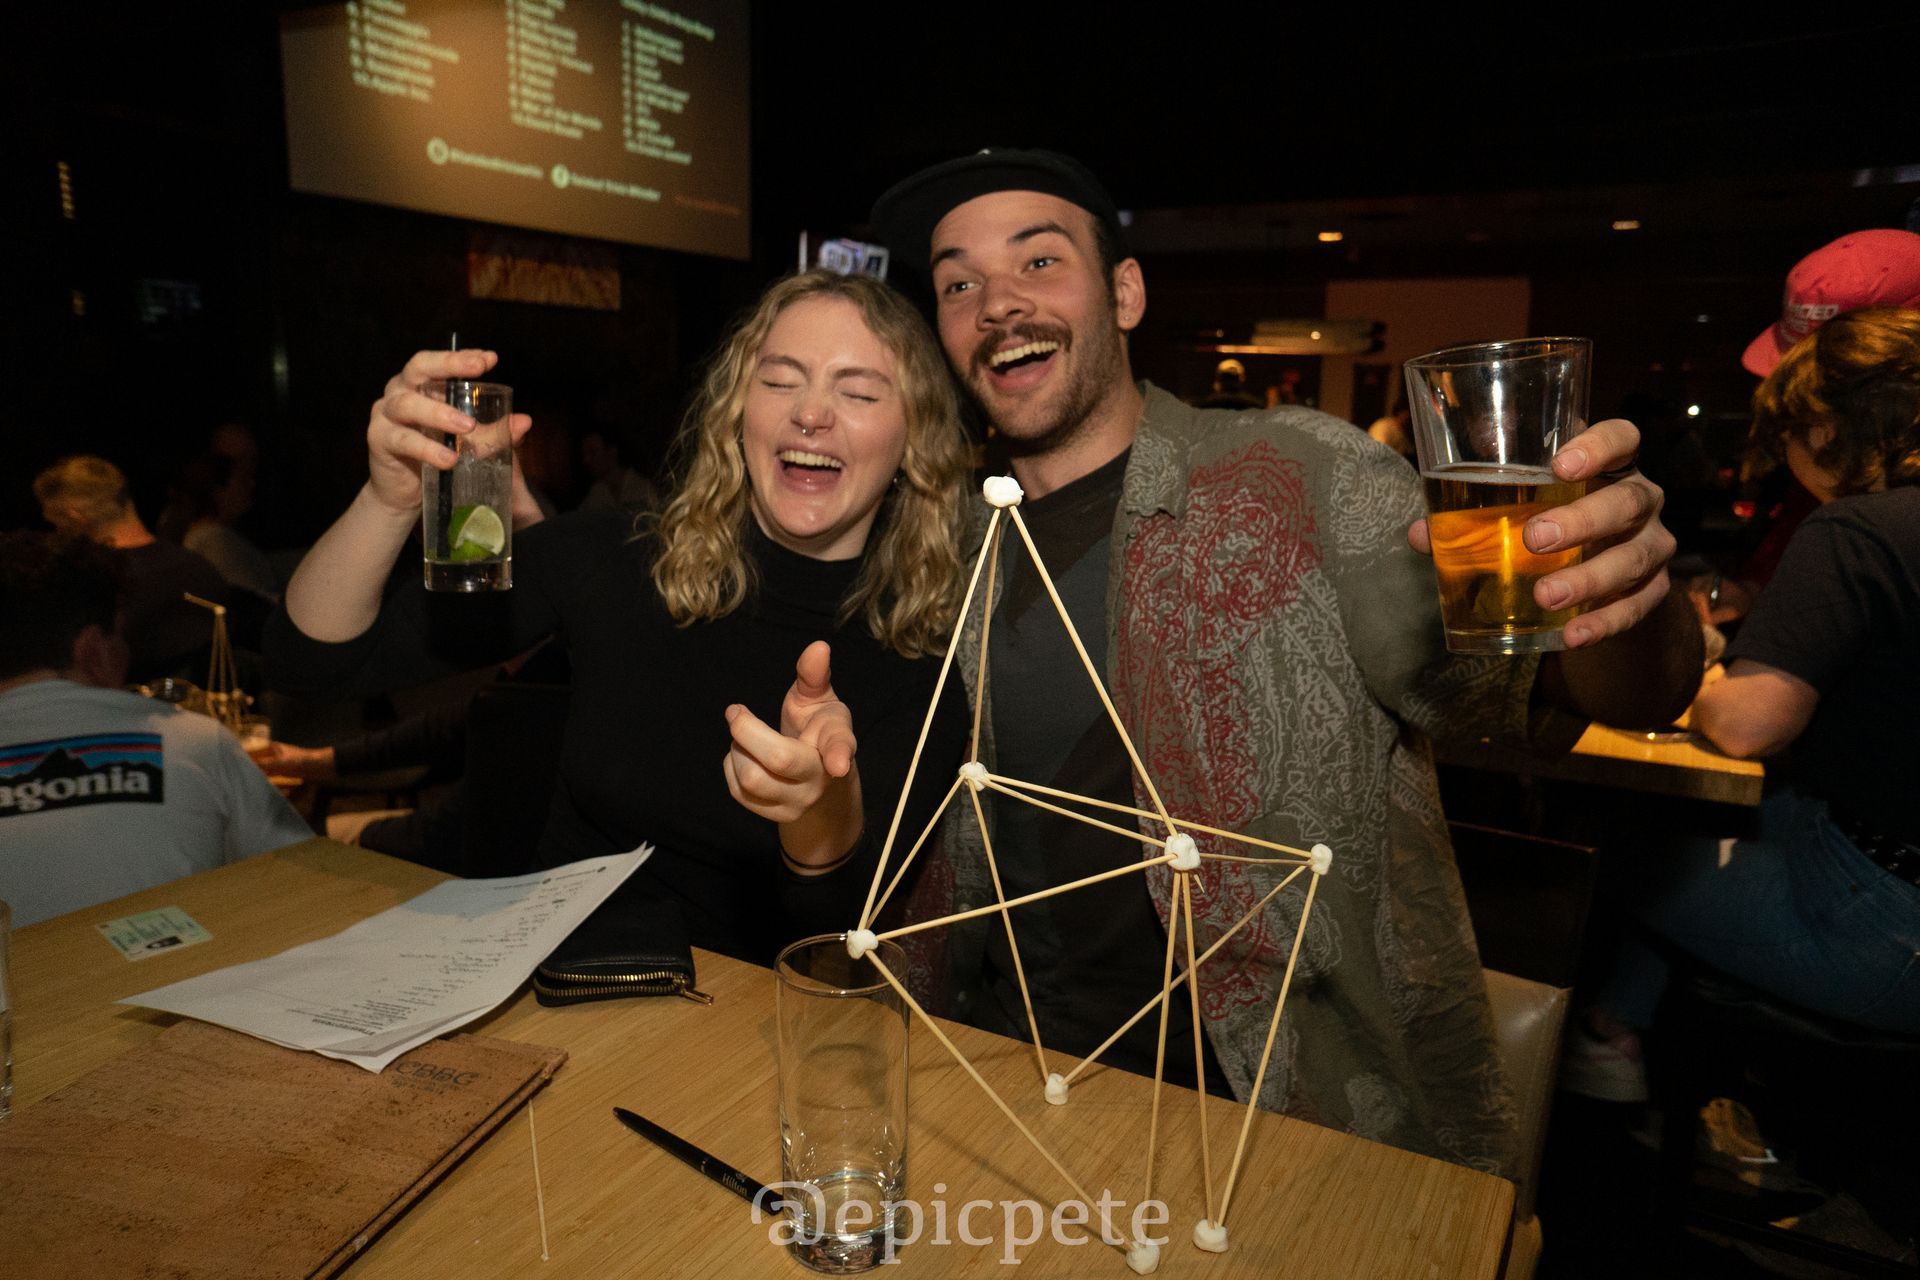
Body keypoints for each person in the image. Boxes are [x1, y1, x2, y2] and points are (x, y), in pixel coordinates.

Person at [868, 148, 1700, 1174]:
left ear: (1125, 293)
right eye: (959, 284)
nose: (998, 303)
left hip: (1273, 1127)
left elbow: (1571, 690)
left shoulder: (1304, 477)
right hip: (995, 1084)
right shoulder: (942, 542)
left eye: (1039, 262)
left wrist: (1628, 605)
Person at [266, 270, 972, 963]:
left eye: (858, 392)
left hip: (728, 1016)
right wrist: (387, 499)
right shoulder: (620, 555)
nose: (811, 413)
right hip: (541, 979)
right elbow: (312, 663)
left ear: (913, 440)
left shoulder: (920, 665)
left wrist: (821, 806)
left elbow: (838, 923)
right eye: (781, 381)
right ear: (737, 414)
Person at [1575, 308, 1920, 1089]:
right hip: (1881, 869)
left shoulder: (1858, 530)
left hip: (1886, 929)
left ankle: (1607, 1055)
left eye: (1787, 435)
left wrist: (1701, 686)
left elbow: (1747, 726)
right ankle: (1620, 1029)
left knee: (1611, 851)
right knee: (1747, 814)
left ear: (1824, 428)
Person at [0, 532, 312, 926]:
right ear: (92, 649)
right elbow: (300, 875)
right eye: (120, 635)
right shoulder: (192, 741)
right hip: (187, 961)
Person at [34, 455, 234, 683]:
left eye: (55, 525)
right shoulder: (199, 568)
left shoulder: (99, 585)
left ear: (76, 518)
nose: (56, 536)